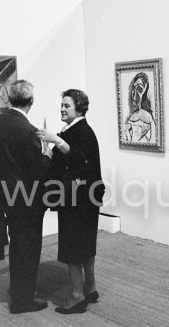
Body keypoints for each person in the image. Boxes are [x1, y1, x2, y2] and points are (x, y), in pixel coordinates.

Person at [0, 80, 52, 314]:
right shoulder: (29, 131)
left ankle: (17, 291)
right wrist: (47, 154)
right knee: (29, 248)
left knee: (16, 246)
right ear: (31, 102)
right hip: (28, 199)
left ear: (9, 98)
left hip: (7, 196)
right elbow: (39, 170)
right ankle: (23, 299)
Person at [37, 89, 104, 315]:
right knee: (84, 243)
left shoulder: (82, 131)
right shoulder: (76, 130)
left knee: (74, 245)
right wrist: (49, 150)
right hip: (84, 197)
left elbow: (77, 157)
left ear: (79, 108)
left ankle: (77, 296)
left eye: (67, 105)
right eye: (62, 105)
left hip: (78, 199)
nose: (62, 109)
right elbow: (64, 159)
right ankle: (90, 288)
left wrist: (55, 140)